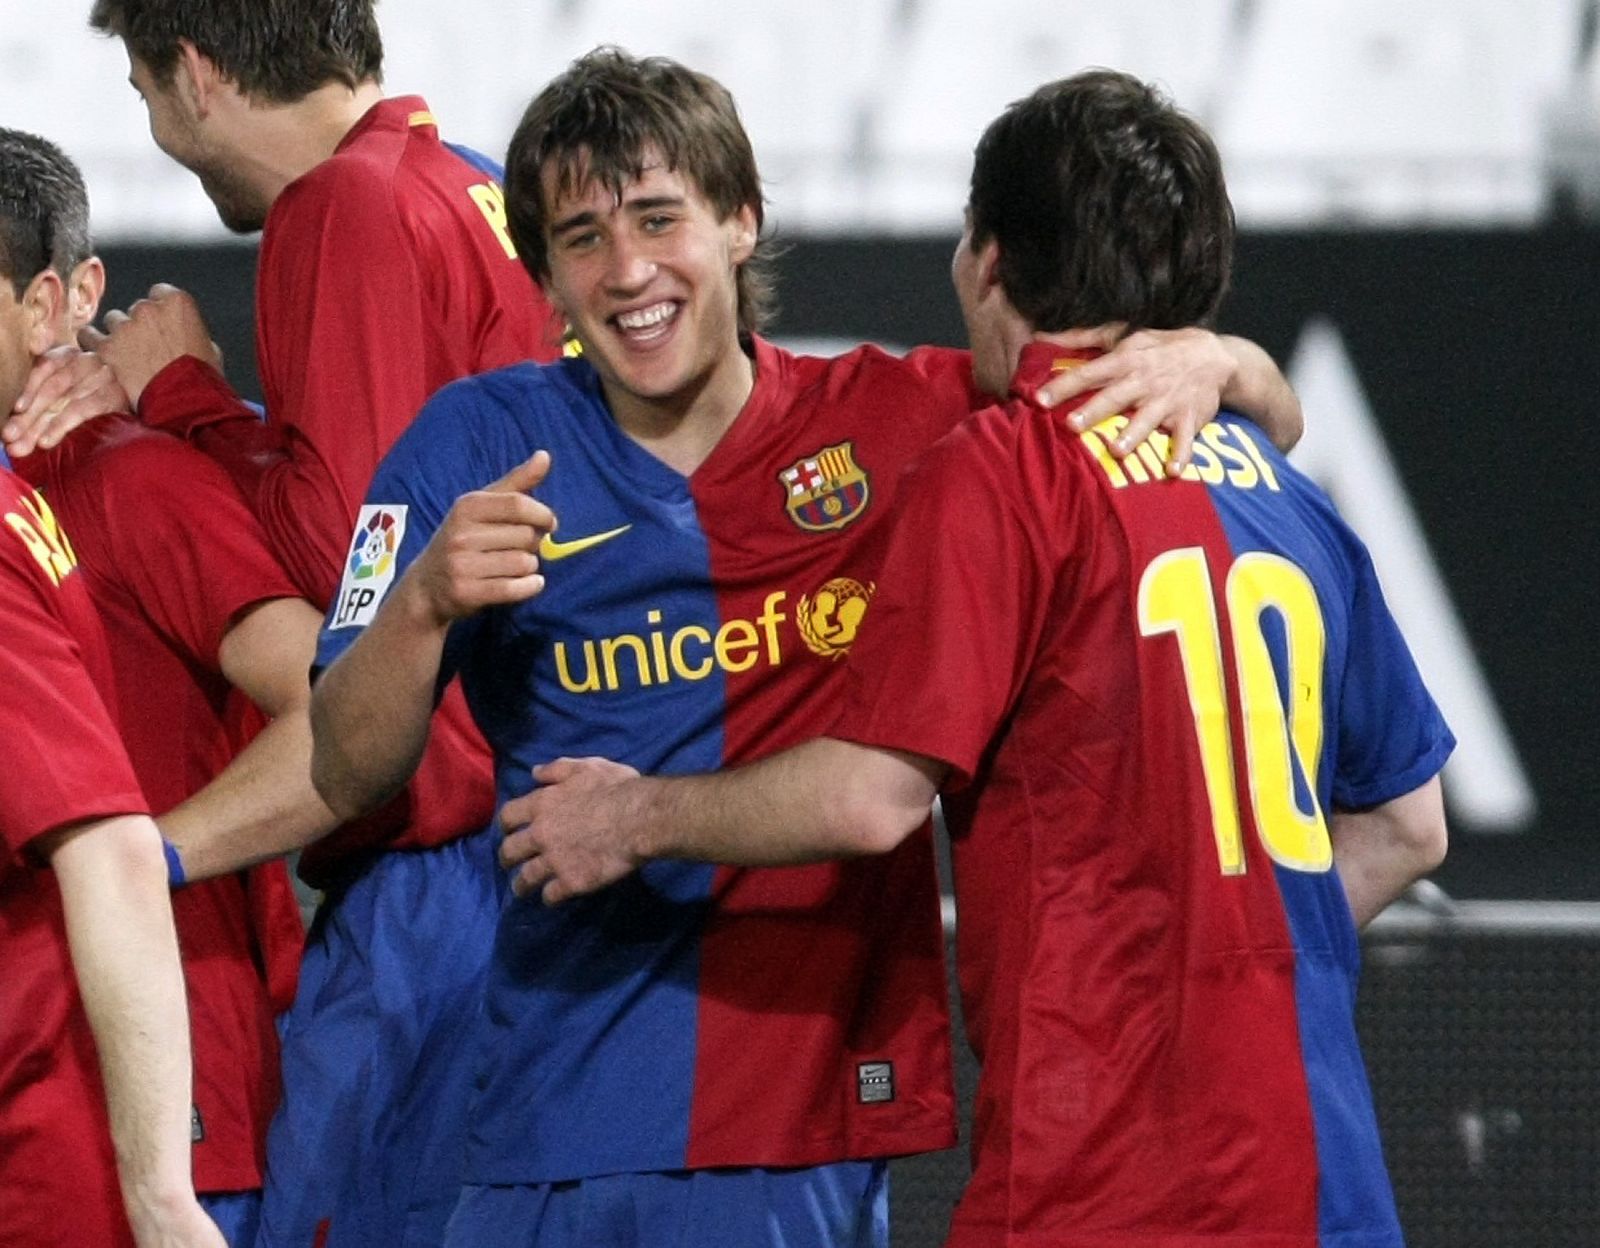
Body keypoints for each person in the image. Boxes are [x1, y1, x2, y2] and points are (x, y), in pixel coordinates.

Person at [308, 50, 1310, 1248]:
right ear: (543, 274)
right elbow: (343, 764)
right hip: (538, 1117)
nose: (627, 270)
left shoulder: (915, 422)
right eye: (579, 237)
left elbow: (1242, 431)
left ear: (741, 222)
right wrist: (420, 607)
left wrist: (1223, 358)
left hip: (804, 1128)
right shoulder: (470, 442)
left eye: (658, 218)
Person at [498, 70, 1455, 1246]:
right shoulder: (1284, 489)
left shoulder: (1004, 467)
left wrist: (630, 817)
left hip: (1099, 1175)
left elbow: (865, 798)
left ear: (987, 259)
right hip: (1328, 1182)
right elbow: (1411, 826)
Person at [2, 4, 567, 1245]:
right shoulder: (461, 184)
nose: (157, 132)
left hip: (439, 859)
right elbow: (387, 502)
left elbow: (350, 587)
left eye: (147, 93)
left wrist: (187, 402)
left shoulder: (340, 207)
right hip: (517, 848)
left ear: (197, 76)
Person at [0, 126, 326, 1246]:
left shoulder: (131, 478)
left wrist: (150, 858)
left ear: (59, 302)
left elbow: (338, 708)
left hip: (174, 1107)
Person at [0, 224, 221, 1245]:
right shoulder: (21, 497)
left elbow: (110, 849)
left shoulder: (109, 483)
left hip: (36, 1166)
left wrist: (163, 1202)